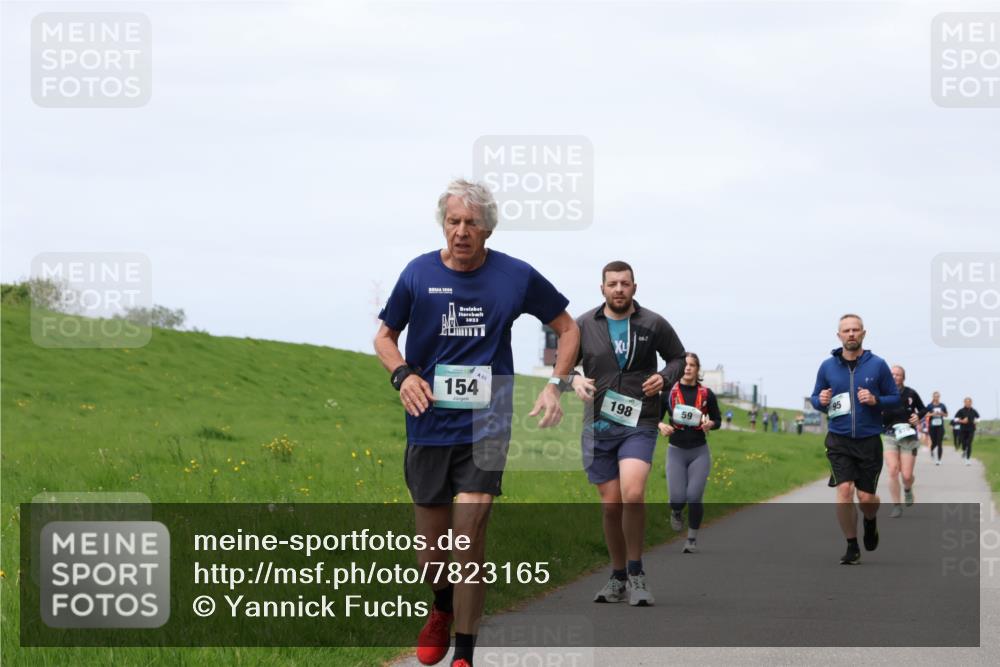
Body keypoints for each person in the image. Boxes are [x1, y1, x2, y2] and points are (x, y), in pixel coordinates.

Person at [373, 179, 580, 667]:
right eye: (453, 221)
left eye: (472, 223)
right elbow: (384, 336)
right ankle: (441, 606)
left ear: (488, 228)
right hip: (427, 423)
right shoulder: (418, 273)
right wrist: (402, 374)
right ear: (443, 224)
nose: (461, 231)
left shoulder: (515, 276)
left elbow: (567, 328)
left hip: (488, 421)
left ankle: (464, 655)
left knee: (468, 540)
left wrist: (557, 384)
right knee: (433, 556)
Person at [566, 260, 685, 607]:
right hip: (598, 425)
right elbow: (563, 366)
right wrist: (573, 379)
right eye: (612, 283)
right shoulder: (584, 324)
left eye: (625, 283)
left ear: (635, 287)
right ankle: (617, 576)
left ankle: (636, 573)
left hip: (640, 421)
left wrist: (664, 378)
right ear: (601, 288)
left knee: (633, 494)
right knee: (610, 506)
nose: (619, 289)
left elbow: (677, 358)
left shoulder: (653, 323)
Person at [810, 314, 899, 565]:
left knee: (867, 498)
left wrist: (875, 400)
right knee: (845, 490)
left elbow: (894, 397)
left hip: (869, 440)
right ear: (838, 336)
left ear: (863, 333)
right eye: (846, 330)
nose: (851, 334)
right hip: (839, 439)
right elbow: (816, 397)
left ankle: (870, 521)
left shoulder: (878, 365)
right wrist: (821, 401)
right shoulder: (827, 366)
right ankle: (852, 545)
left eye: (855, 330)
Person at [658, 352, 721, 554]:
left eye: (692, 365)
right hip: (676, 450)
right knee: (677, 498)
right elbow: (653, 419)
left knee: (694, 496)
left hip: (699, 451)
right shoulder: (668, 392)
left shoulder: (707, 394)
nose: (687, 368)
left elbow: (717, 420)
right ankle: (676, 512)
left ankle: (691, 539)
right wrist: (661, 426)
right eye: (685, 365)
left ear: (697, 369)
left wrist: (710, 423)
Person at [880, 365, 926, 518]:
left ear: (903, 378)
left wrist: (918, 416)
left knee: (906, 476)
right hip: (889, 435)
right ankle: (896, 506)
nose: (894, 377)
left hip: (908, 435)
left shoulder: (911, 393)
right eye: (892, 374)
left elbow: (923, 409)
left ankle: (907, 489)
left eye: (898, 375)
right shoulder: (882, 393)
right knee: (893, 470)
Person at [955, 397, 981, 466]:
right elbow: (955, 419)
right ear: (964, 403)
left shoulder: (974, 411)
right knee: (964, 444)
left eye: (969, 402)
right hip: (963, 429)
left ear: (971, 403)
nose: (968, 403)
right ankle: (964, 450)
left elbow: (978, 418)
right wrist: (962, 421)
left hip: (971, 429)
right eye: (966, 402)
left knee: (969, 444)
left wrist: (976, 421)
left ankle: (968, 459)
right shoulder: (961, 410)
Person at [926, 392, 948, 465]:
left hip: (940, 426)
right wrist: (933, 414)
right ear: (933, 397)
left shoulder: (942, 405)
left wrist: (942, 413)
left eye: (938, 396)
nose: (936, 398)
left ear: (939, 397)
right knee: (934, 442)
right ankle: (932, 450)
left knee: (939, 443)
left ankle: (939, 459)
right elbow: (925, 414)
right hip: (932, 426)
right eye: (935, 396)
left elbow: (946, 414)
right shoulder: (930, 406)